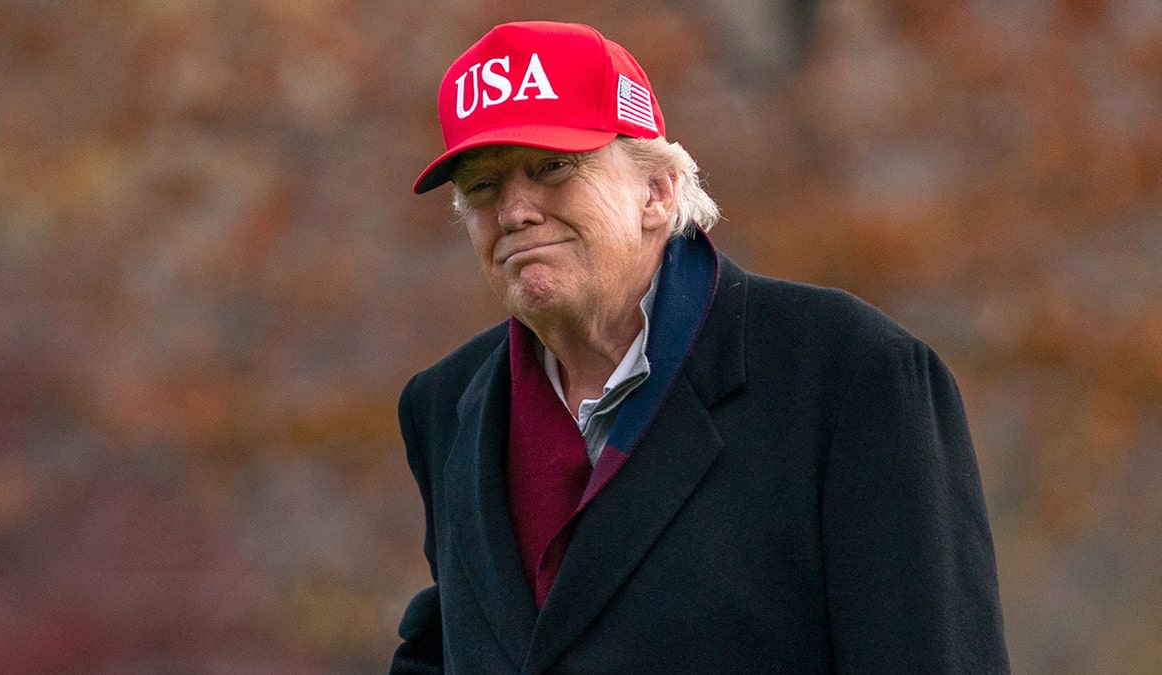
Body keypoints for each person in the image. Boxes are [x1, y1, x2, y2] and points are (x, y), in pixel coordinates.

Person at [391, 20, 1009, 674]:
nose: (514, 210)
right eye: (482, 186)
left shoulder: (848, 375)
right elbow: (457, 643)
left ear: (656, 191)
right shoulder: (446, 407)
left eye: (552, 167)